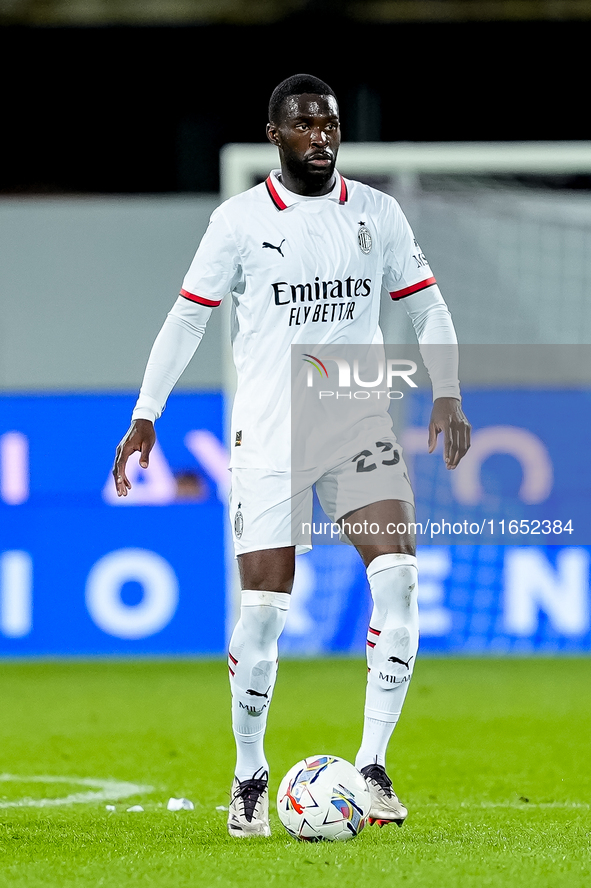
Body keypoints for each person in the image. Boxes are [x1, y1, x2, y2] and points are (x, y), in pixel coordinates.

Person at [113, 74, 471, 838]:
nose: (320, 136)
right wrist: (146, 415)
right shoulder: (238, 222)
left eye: (329, 124)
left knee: (400, 581)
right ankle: (248, 771)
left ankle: (370, 766)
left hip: (355, 424)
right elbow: (186, 320)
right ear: (274, 135)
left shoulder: (377, 212)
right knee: (264, 614)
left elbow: (426, 303)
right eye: (304, 125)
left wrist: (447, 390)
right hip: (270, 436)